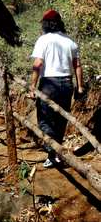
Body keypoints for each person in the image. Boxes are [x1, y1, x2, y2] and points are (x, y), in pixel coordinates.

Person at [29, 9, 84, 168]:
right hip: (66, 84)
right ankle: (57, 154)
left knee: (46, 120)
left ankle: (52, 153)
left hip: (49, 84)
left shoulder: (43, 40)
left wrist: (32, 87)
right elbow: (77, 66)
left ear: (46, 24)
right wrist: (80, 87)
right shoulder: (70, 42)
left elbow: (38, 64)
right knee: (61, 119)